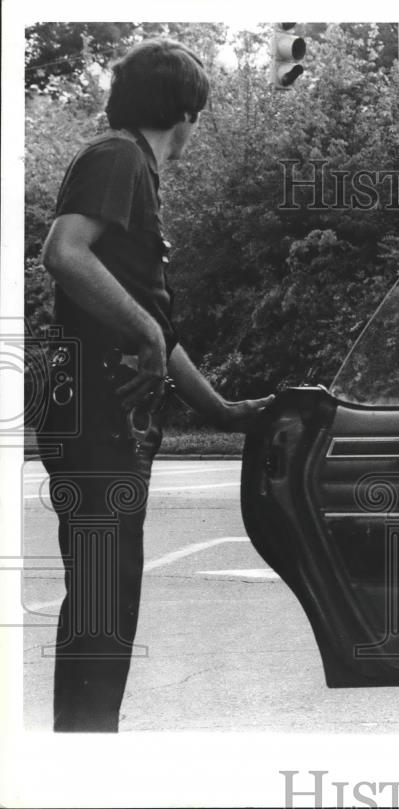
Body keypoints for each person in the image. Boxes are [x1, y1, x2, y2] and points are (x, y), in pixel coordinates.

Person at [37, 37, 273, 732]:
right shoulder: (119, 157)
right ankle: (81, 760)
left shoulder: (131, 166)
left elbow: (154, 326)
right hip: (96, 412)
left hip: (110, 418)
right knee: (102, 602)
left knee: (106, 601)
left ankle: (86, 746)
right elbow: (63, 251)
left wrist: (221, 408)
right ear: (185, 113)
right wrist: (142, 330)